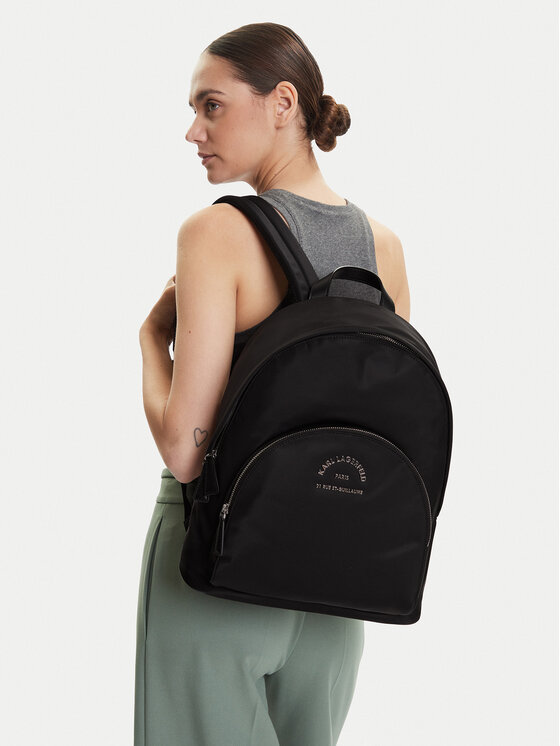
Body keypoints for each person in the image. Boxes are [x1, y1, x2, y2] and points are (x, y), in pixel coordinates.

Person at [135, 21, 411, 746]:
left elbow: (186, 452)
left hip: (216, 566)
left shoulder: (216, 233)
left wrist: (150, 341)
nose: (193, 131)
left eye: (212, 105)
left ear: (283, 102)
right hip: (340, 588)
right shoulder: (383, 247)